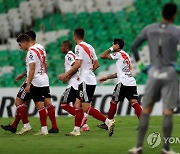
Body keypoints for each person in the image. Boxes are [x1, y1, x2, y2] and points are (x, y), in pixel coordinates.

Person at [128, 3, 179, 154]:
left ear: (162, 13)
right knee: (168, 111)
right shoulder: (177, 31)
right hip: (169, 73)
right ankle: (166, 148)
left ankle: (138, 147)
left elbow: (134, 46)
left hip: (153, 72)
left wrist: (142, 66)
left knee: (147, 110)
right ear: (174, 15)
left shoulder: (149, 28)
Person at [59, 27, 115, 136]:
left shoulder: (78, 47)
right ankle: (76, 130)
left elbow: (78, 63)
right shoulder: (90, 47)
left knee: (85, 107)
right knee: (77, 104)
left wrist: (66, 74)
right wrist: (88, 71)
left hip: (85, 81)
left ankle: (108, 121)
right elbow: (97, 64)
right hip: (89, 80)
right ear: (83, 36)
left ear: (75, 36)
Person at [1, 31, 59, 134]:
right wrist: (24, 74)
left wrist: (28, 82)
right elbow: (42, 64)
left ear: (26, 40)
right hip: (43, 78)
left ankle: (26, 125)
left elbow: (32, 69)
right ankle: (46, 128)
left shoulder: (31, 51)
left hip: (34, 80)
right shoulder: (41, 48)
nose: (20, 47)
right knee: (43, 103)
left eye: (20, 44)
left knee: (19, 102)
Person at [97, 38, 142, 130]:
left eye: (113, 44)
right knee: (134, 103)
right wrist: (107, 77)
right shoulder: (126, 55)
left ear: (117, 45)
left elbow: (102, 56)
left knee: (113, 102)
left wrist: (111, 48)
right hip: (131, 82)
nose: (112, 45)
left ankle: (108, 122)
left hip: (123, 83)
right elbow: (121, 73)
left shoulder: (118, 54)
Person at [59, 40, 89, 131]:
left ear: (67, 47)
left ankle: (82, 118)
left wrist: (67, 76)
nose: (61, 47)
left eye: (62, 46)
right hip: (77, 83)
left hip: (73, 84)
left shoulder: (69, 55)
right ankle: (84, 126)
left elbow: (76, 67)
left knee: (64, 104)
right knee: (77, 106)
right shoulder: (73, 55)